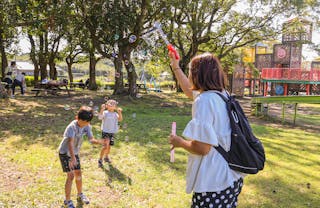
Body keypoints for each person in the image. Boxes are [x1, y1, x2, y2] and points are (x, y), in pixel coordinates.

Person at [168, 51, 244, 208]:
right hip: (231, 177)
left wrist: (180, 142)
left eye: (190, 71)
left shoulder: (204, 101)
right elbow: (190, 91)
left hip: (213, 183)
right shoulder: (222, 95)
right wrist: (176, 66)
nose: (189, 75)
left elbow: (202, 148)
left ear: (197, 75)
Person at [58, 106, 106, 208]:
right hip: (65, 153)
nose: (83, 124)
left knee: (78, 173)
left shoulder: (87, 126)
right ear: (77, 118)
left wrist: (100, 142)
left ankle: (80, 194)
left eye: (86, 122)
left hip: (74, 153)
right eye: (82, 122)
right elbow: (70, 143)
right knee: (70, 176)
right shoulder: (72, 127)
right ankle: (67, 201)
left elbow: (91, 139)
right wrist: (73, 158)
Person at [97, 99, 123, 167]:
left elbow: (120, 119)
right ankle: (100, 159)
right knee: (105, 146)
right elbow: (100, 117)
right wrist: (102, 109)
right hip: (105, 132)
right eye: (110, 103)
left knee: (108, 147)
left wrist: (119, 112)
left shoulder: (115, 114)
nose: (112, 104)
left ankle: (106, 157)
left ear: (115, 107)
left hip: (112, 132)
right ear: (107, 106)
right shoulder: (105, 113)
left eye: (114, 104)